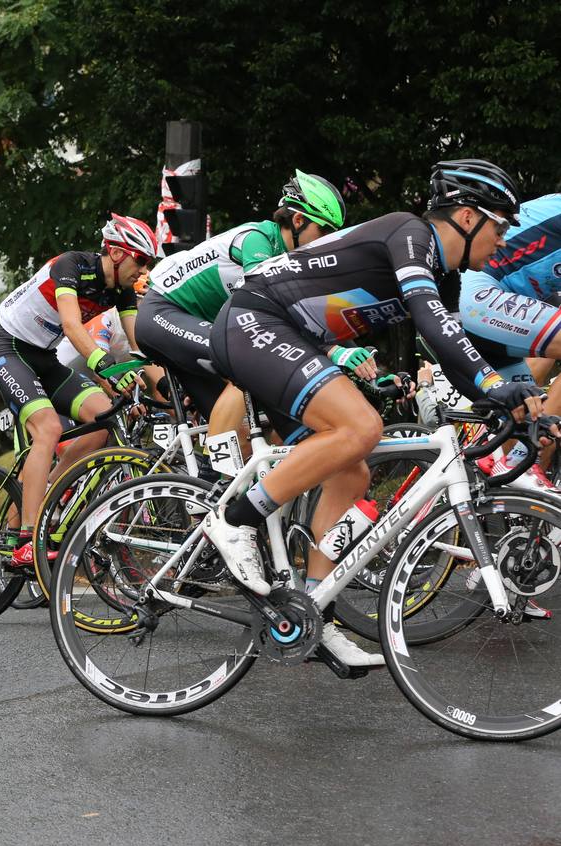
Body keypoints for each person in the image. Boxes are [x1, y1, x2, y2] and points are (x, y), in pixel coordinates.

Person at [205, 158, 538, 667]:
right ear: (468, 218)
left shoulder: (442, 277)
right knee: (361, 427)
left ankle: (313, 611)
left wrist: (511, 404)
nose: (503, 240)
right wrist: (496, 385)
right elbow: (432, 321)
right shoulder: (412, 235)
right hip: (255, 318)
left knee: (352, 469)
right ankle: (234, 520)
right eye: (500, 225)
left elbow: (452, 346)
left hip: (292, 338)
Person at [0, 214, 160, 566]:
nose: (144, 270)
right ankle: (27, 539)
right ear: (116, 252)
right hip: (8, 350)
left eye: (149, 263)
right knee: (47, 429)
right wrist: (103, 364)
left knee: (107, 418)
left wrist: (162, 384)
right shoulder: (72, 266)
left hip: (44, 359)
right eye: (140, 260)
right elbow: (70, 324)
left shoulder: (122, 292)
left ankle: (47, 490)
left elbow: (140, 349)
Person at [135, 172, 352, 441]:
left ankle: (219, 481)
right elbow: (266, 309)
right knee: (248, 362)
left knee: (247, 436)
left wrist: (352, 353)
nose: (328, 241)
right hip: (162, 314)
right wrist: (329, 349)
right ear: (298, 220)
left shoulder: (289, 259)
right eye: (325, 231)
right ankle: (218, 468)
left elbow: (310, 317)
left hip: (195, 326)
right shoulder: (258, 240)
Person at [459, 189, 561, 468]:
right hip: (479, 295)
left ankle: (505, 479)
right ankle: (520, 465)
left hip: (495, 310)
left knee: (524, 413)